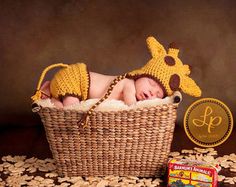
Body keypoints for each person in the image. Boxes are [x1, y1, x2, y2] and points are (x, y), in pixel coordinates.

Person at [31, 36, 202, 108]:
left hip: (79, 84)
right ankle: (49, 93)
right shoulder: (129, 84)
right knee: (71, 110)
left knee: (62, 106)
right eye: (151, 83)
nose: (151, 92)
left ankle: (50, 93)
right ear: (140, 75)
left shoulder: (137, 87)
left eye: (158, 94)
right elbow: (131, 108)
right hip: (76, 78)